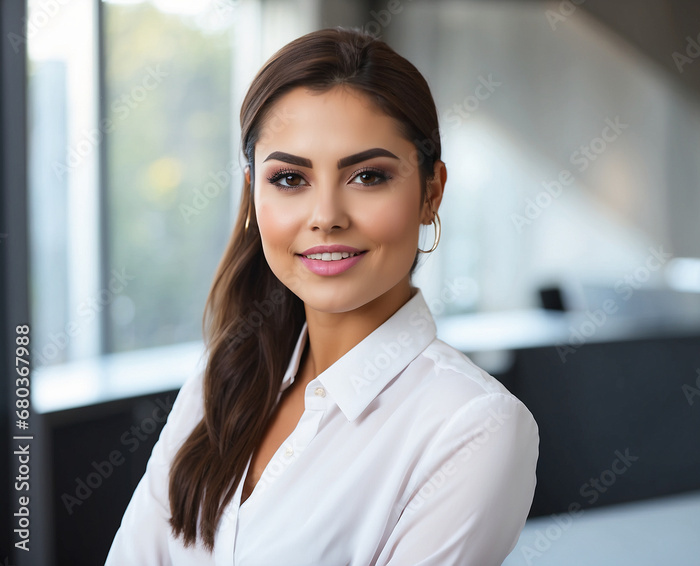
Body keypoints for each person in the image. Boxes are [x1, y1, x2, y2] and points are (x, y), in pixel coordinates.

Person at [106, 26, 539, 565]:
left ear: (431, 192)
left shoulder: (474, 426)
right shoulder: (221, 379)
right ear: (252, 195)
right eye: (290, 179)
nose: (327, 217)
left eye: (368, 176)